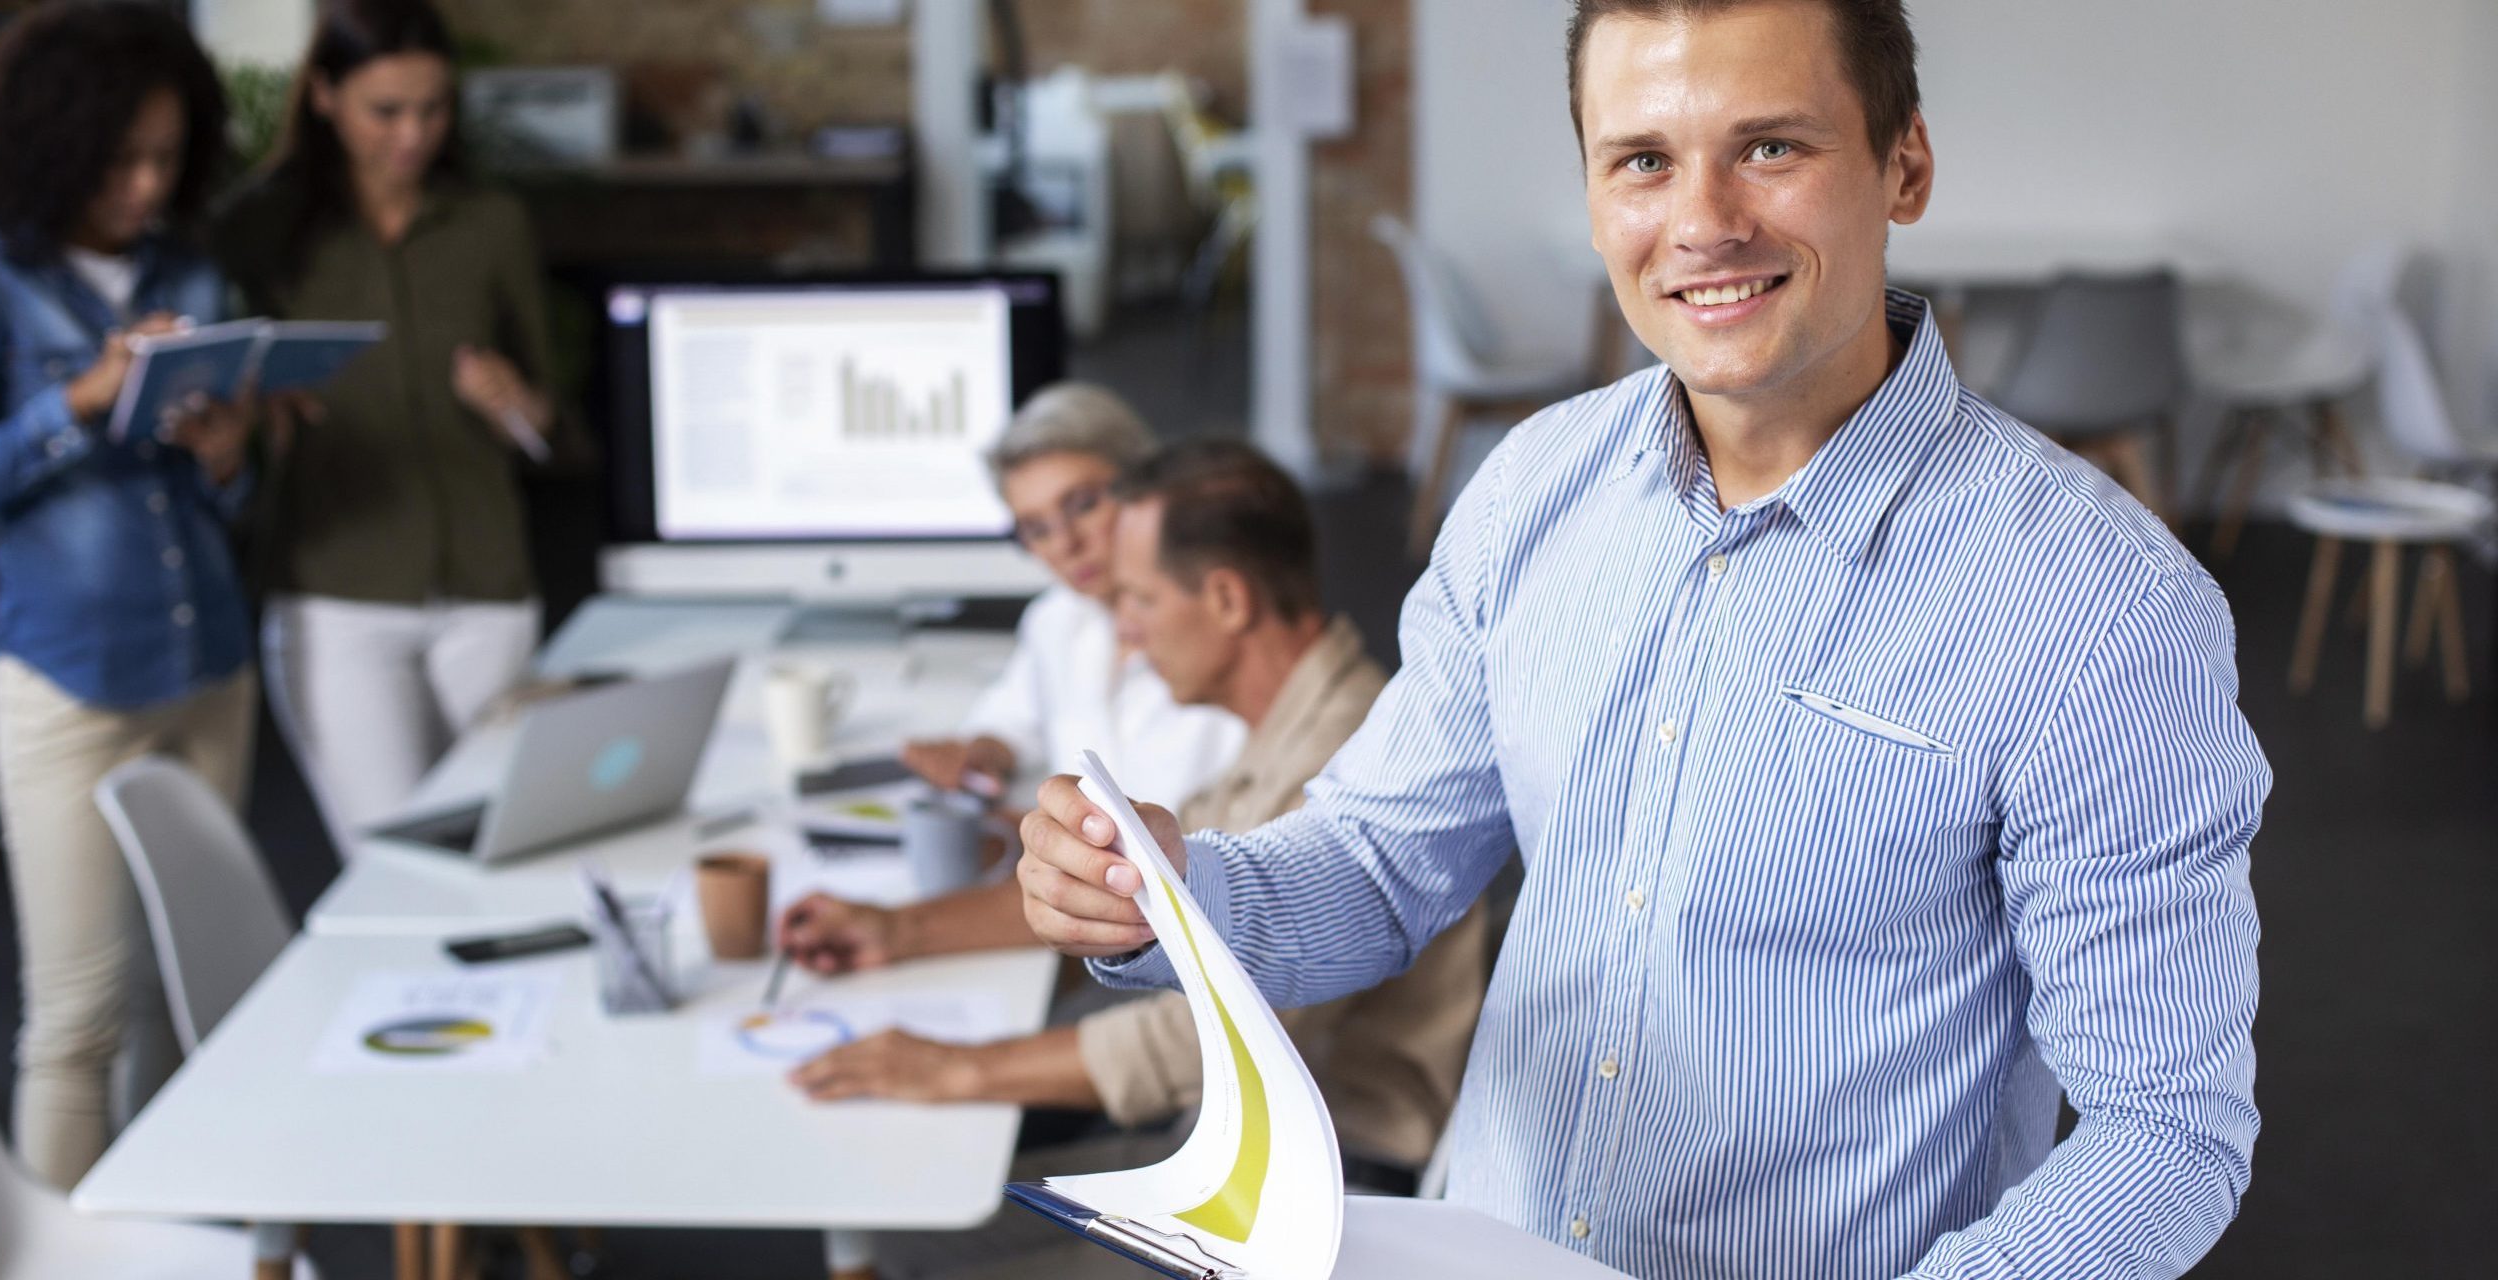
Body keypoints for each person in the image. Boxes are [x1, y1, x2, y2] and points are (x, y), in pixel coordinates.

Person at [1014, 3, 2270, 1277]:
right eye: (1643, 160)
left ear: (1905, 164)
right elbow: (1382, 863)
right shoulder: (1528, 491)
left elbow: (2164, 1131)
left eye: (1770, 148)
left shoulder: (2100, 608)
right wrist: (1164, 900)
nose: (1703, 221)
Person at [781, 441, 1488, 1280]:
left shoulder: (1344, 747)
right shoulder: (1282, 726)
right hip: (1234, 1141)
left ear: (1224, 599)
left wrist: (958, 1068)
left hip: (1324, 1190)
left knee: (924, 1228)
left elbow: (1201, 1040)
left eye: (1140, 599)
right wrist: (898, 931)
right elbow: (1137, 908)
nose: (1125, 632)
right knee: (909, 1212)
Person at [0, 0, 258, 1190]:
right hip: (67, 684)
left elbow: (222, 501)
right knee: (78, 1020)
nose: (145, 183)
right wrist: (74, 404)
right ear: (52, 148)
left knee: (195, 998)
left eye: (168, 156)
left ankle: (180, 1240)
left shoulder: (191, 266)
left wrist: (228, 456)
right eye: (120, 158)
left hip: (210, 669)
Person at [211, 0, 574, 852]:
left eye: (433, 109)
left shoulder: (490, 223)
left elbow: (551, 415)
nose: (413, 135)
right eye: (387, 112)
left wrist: (515, 402)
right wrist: (255, 407)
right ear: (326, 96)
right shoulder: (256, 229)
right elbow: (207, 401)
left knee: (510, 847)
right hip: (338, 591)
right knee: (392, 860)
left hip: (488, 588)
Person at [900, 383, 1242, 806]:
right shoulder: (1057, 619)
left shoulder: (1216, 621)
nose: (1064, 545)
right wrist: (976, 754)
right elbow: (1013, 721)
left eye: (1083, 505)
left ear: (1147, 484)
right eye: (1037, 529)